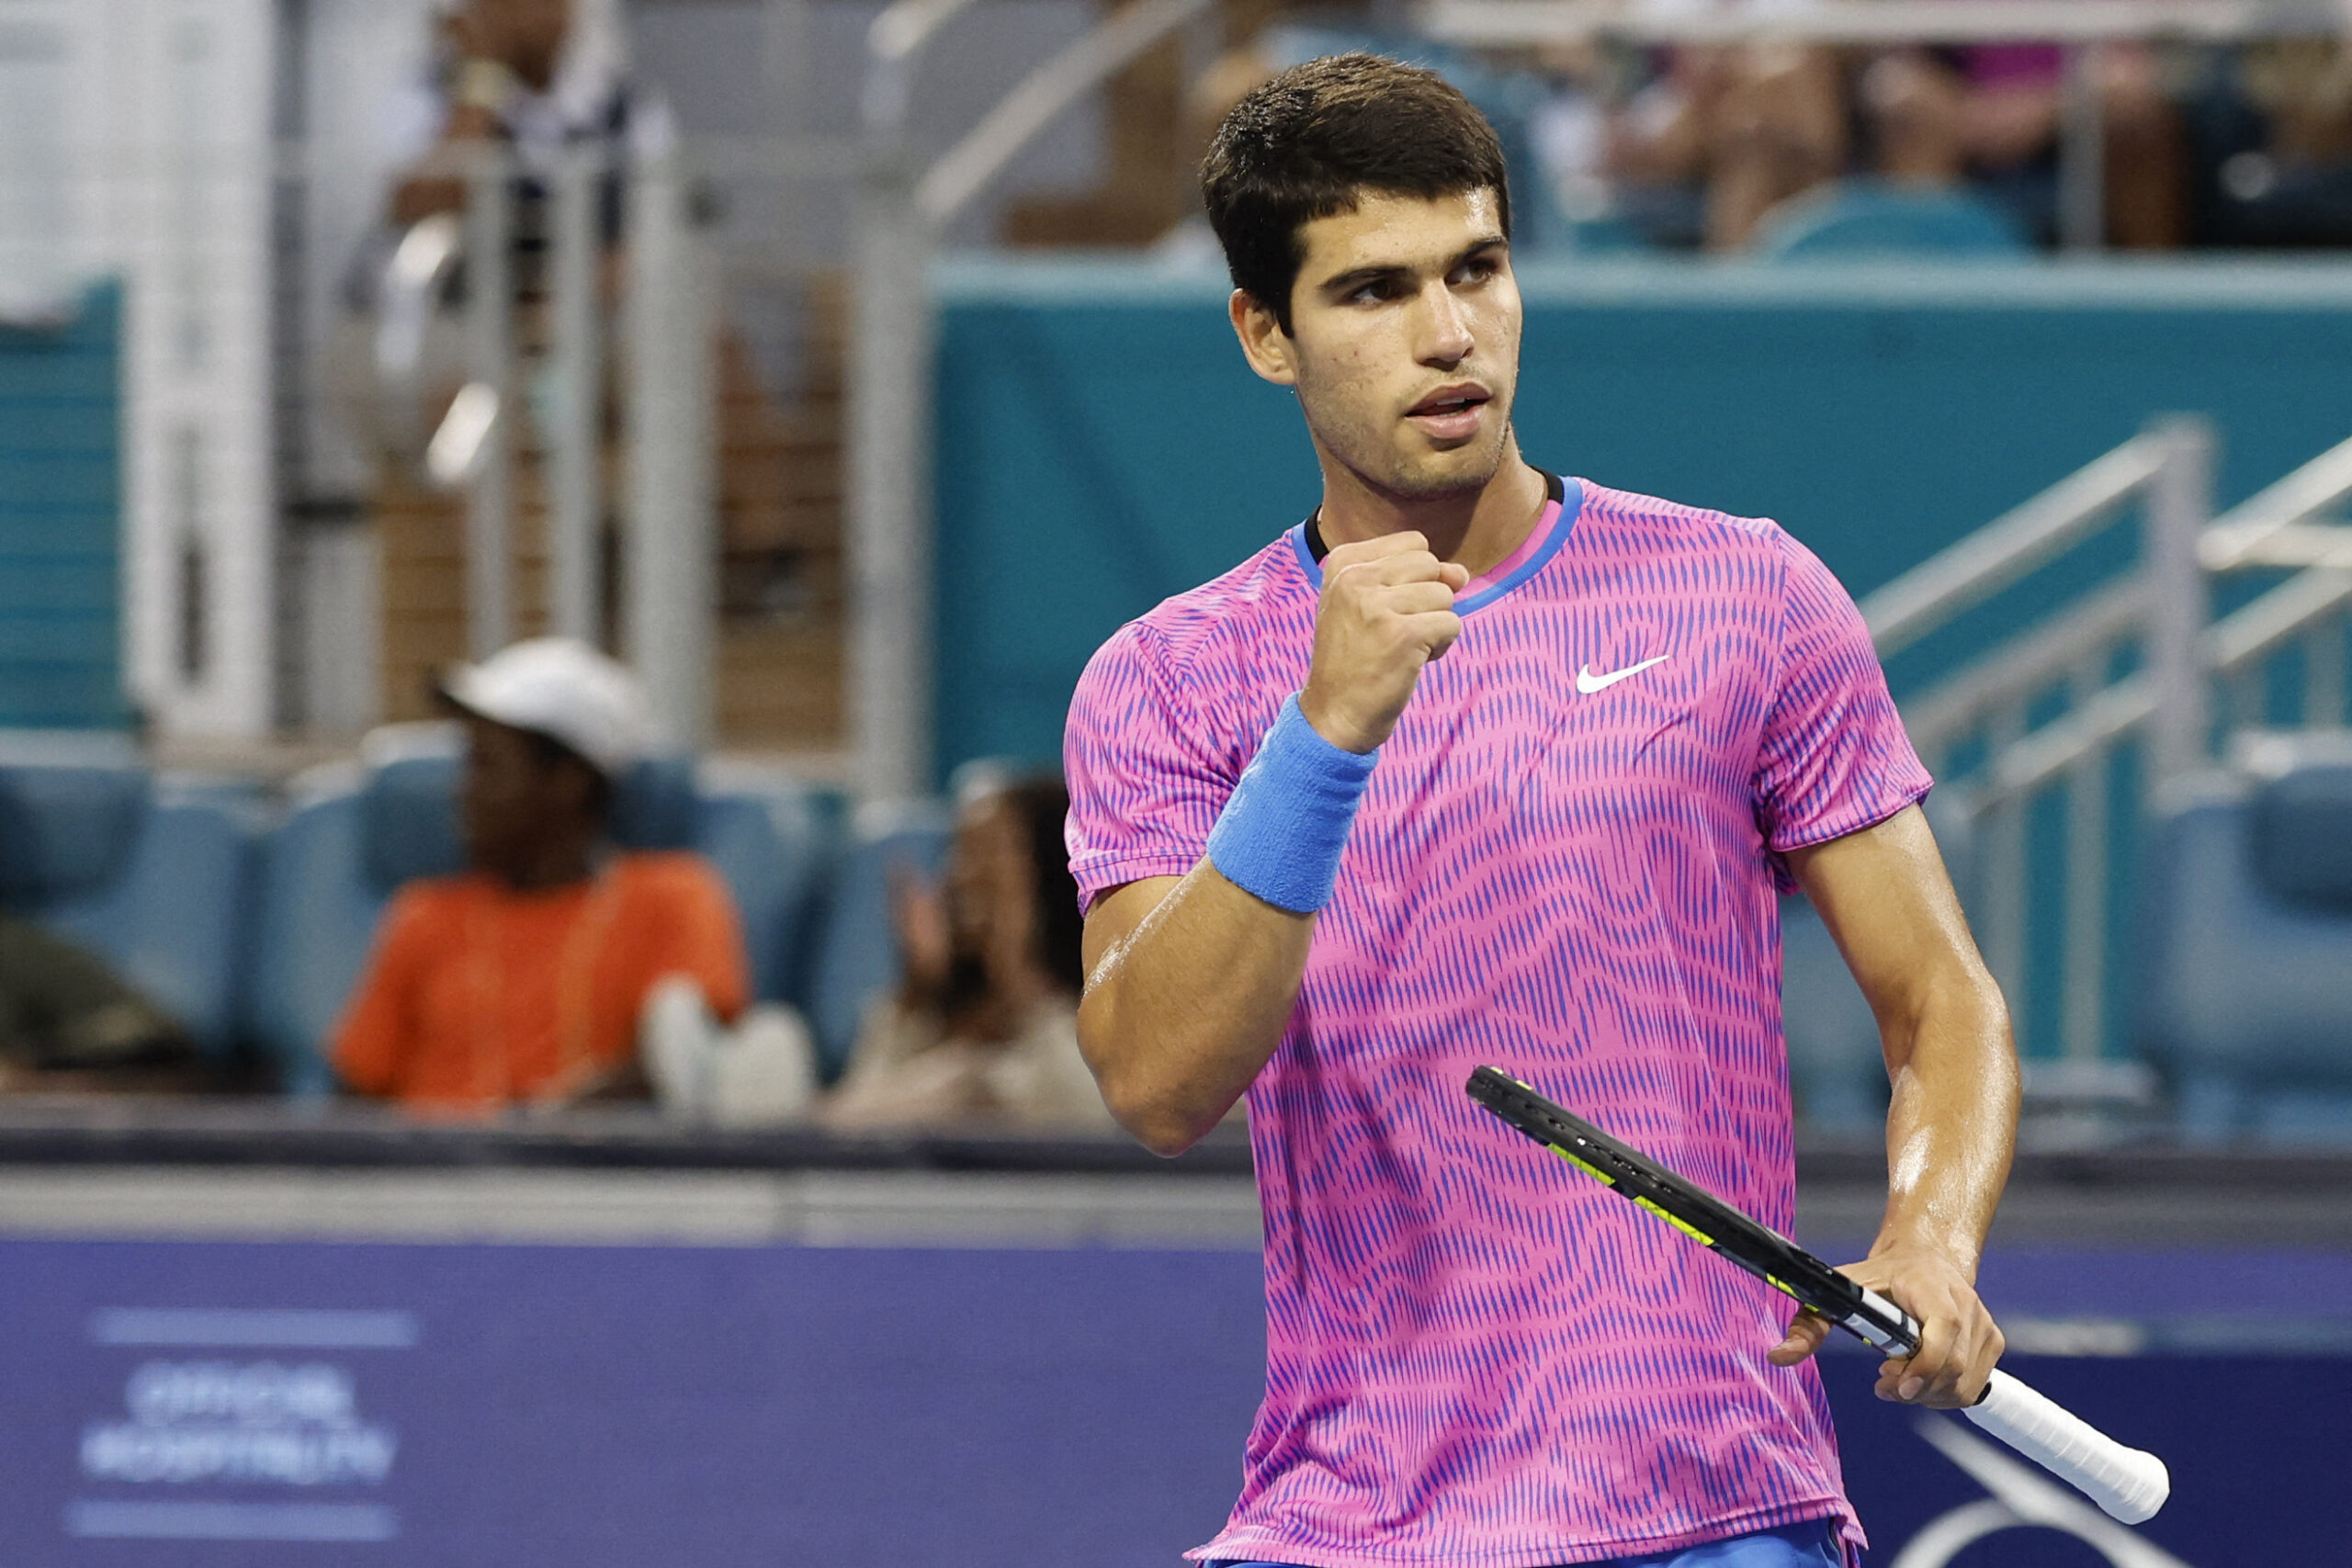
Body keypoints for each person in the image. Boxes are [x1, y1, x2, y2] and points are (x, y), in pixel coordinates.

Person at [1063, 54, 2018, 1568]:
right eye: (1373, 292)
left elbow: (1938, 1000)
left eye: (1479, 269)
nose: (1449, 336)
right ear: (1265, 334)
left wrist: (1931, 1231)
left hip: (1712, 1513)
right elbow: (1159, 1079)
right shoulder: (1170, 680)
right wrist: (1327, 731)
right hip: (1341, 1523)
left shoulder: (1746, 596)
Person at [332, 638, 805, 1121]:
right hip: (420, 1174)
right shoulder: (423, 913)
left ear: (568, 782)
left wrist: (542, 1127)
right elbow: (355, 1090)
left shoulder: (673, 895)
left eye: (486, 766)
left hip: (587, 1176)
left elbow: (673, 1059)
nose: (463, 792)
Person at [820, 775, 1111, 1134]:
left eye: (986, 854)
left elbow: (1096, 1119)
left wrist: (1017, 976)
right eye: (958, 852)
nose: (959, 876)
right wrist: (919, 989)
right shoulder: (934, 1012)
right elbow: (843, 1119)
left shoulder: (1094, 1015)